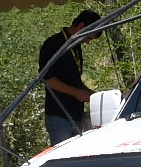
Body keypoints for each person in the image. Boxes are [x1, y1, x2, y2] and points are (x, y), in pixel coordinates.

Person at [39, 10, 99, 147]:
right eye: (89, 38)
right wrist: (76, 93)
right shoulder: (53, 43)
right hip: (59, 115)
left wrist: (95, 96)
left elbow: (74, 80)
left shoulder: (76, 46)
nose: (88, 42)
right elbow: (47, 79)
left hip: (75, 115)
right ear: (82, 27)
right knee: (62, 160)